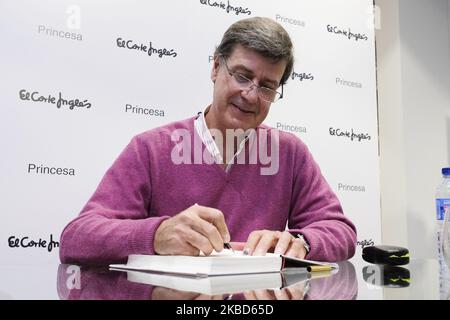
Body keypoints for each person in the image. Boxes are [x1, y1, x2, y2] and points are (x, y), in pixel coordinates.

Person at [59, 17, 357, 265]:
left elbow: (340, 231)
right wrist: (157, 235)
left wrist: (301, 242)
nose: (251, 95)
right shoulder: (152, 149)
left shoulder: (289, 153)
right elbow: (77, 237)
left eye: (267, 86)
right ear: (215, 67)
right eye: (242, 76)